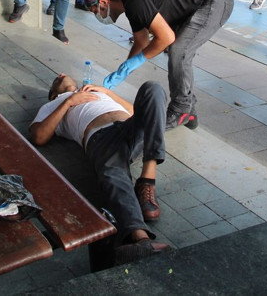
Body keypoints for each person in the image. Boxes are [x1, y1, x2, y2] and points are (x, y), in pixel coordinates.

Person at [30, 75, 170, 264]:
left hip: (129, 128)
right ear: (53, 94)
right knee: (114, 176)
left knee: (153, 87)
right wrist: (68, 102)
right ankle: (140, 239)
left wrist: (108, 93)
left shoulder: (97, 92)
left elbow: (141, 112)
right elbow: (39, 136)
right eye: (56, 78)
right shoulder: (53, 105)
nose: (62, 75)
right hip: (101, 138)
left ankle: (147, 180)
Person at [84, 0, 234, 129]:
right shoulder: (130, 1)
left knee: (179, 50)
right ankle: (189, 109)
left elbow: (165, 38)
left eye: (95, 11)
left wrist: (138, 60)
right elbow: (141, 42)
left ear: (103, 2)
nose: (98, 16)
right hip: (202, 0)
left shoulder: (134, 0)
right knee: (178, 50)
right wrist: (122, 72)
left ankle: (180, 109)